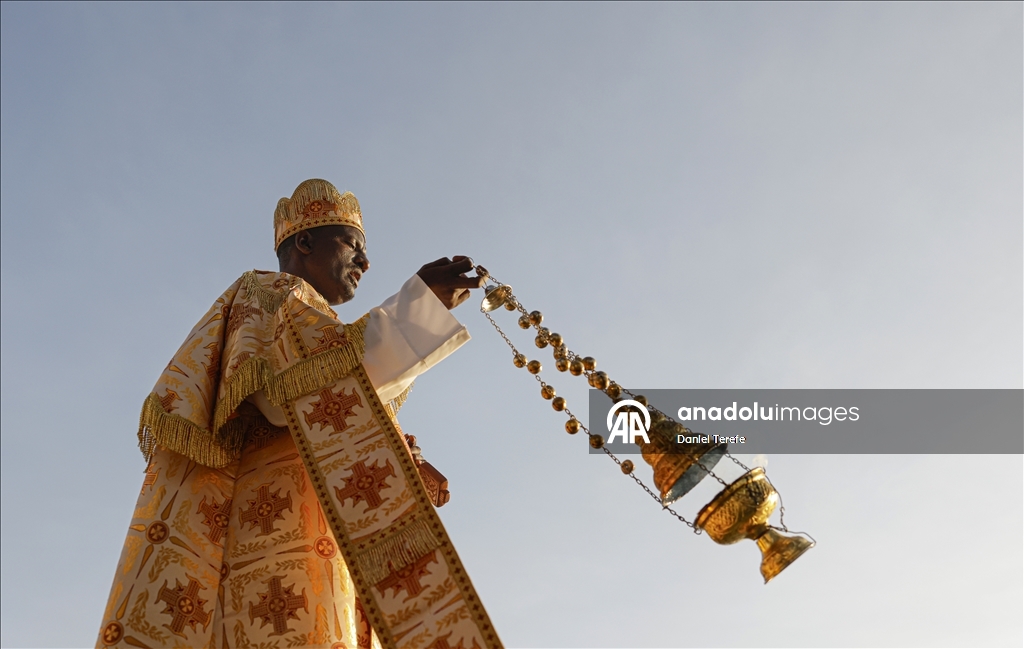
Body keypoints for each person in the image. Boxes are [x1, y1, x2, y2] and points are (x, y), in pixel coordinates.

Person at [96, 179, 502, 649]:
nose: (366, 263)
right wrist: (419, 310)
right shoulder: (271, 292)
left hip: (319, 536)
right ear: (305, 241)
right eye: (353, 244)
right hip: (272, 539)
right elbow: (299, 388)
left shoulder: (313, 319)